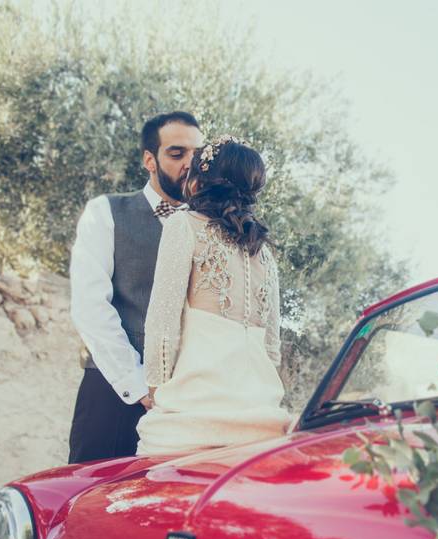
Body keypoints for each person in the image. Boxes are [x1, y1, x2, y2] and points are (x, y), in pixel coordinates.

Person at [135, 136, 290, 455]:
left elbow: (163, 326)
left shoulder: (184, 226)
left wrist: (157, 395)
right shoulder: (264, 255)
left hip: (195, 415)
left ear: (199, 180)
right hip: (261, 421)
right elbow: (272, 349)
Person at [68, 111, 205, 463]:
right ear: (150, 160)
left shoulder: (211, 228)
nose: (190, 163)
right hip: (115, 396)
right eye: (177, 154)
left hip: (190, 405)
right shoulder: (106, 212)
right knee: (92, 504)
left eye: (197, 154)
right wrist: (140, 387)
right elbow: (90, 306)